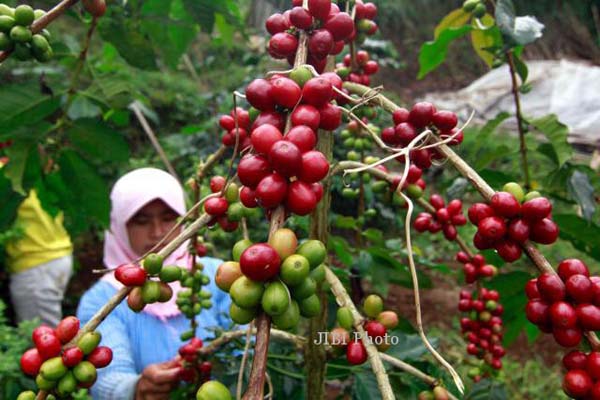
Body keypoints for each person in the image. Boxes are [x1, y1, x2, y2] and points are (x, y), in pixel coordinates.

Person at [77, 168, 232, 400]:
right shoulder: (101, 300)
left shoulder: (218, 275)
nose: (157, 232)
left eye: (169, 218)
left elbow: (246, 347)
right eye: (141, 221)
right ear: (119, 226)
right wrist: (135, 389)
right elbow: (107, 376)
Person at [4, 186, 73, 326]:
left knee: (43, 338)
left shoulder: (7, 175)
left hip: (36, 265)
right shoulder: (37, 167)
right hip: (57, 255)